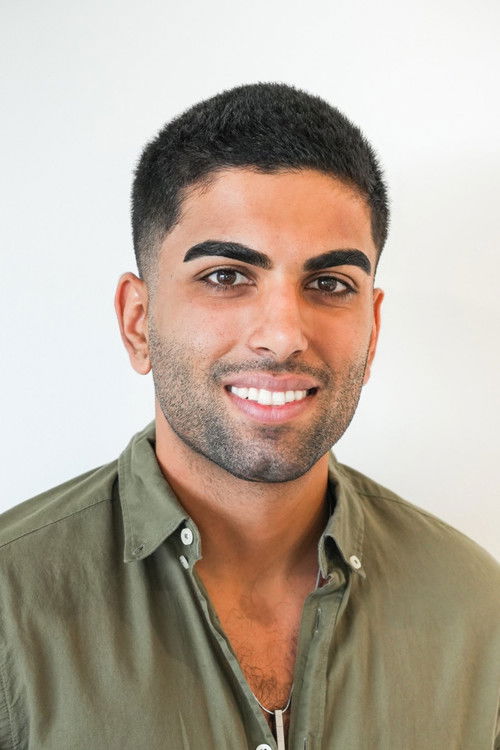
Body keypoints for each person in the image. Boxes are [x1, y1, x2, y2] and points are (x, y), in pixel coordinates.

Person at [0, 83, 498, 750]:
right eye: (226, 276)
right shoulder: (11, 606)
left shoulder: (476, 608)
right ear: (138, 321)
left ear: (373, 330)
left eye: (330, 284)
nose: (283, 335)